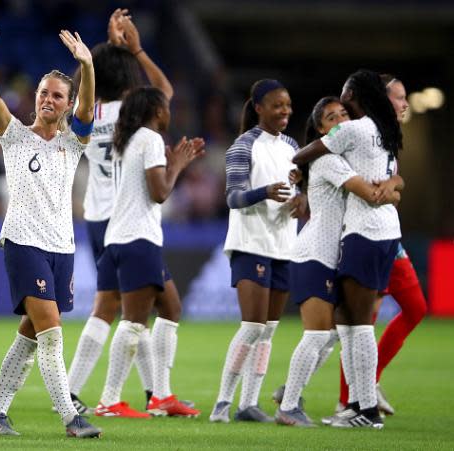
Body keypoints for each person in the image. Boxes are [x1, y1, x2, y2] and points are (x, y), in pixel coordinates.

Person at [0, 23, 101, 438]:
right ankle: (71, 418)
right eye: (43, 92)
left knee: (30, 335)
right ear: (36, 98)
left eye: (57, 95)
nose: (48, 99)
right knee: (52, 335)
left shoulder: (73, 144)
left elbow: (88, 110)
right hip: (23, 242)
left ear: (67, 105)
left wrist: (88, 65)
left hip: (62, 247)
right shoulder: (15, 138)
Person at [64, 10, 196, 417]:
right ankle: (147, 393)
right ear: (126, 74)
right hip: (131, 218)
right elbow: (164, 91)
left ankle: (83, 391)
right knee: (137, 308)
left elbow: (83, 86)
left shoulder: (85, 117)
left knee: (113, 307)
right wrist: (134, 48)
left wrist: (99, 59)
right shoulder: (135, 115)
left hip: (96, 217)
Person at [274, 97, 400, 427]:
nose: (341, 120)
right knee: (318, 335)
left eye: (344, 114)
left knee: (338, 335)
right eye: (331, 118)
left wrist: (391, 183)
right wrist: (387, 189)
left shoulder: (345, 158)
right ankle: (288, 405)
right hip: (314, 253)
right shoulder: (330, 162)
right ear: (321, 131)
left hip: (331, 255)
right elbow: (368, 191)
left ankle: (345, 402)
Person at [90, 86, 204, 418]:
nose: (170, 112)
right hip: (138, 239)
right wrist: (178, 165)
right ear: (157, 111)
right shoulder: (150, 139)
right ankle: (109, 400)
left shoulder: (128, 140)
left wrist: (170, 162)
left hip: (118, 238)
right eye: (167, 107)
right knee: (134, 323)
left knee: (171, 307)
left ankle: (162, 397)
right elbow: (159, 193)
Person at [209, 79, 299, 424]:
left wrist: (300, 199)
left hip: (283, 245)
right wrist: (263, 192)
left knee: (269, 329)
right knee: (251, 326)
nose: (285, 111)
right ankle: (222, 403)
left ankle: (249, 403)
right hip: (251, 244)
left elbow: (297, 187)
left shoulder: (292, 145)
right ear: (258, 107)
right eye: (277, 105)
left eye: (288, 105)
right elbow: (232, 198)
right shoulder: (242, 147)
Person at [336, 74, 427, 416]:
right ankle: (349, 399)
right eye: (400, 97)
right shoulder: (359, 132)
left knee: (416, 308)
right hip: (364, 233)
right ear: (380, 99)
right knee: (361, 320)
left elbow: (396, 185)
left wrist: (393, 183)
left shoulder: (389, 137)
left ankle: (369, 381)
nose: (405, 104)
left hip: (391, 237)